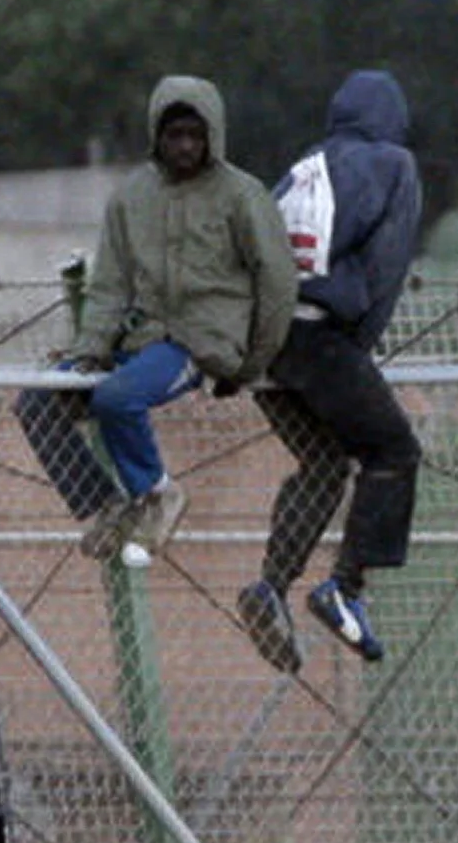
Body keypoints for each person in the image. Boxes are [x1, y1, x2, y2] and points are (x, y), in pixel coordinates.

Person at [16, 75, 297, 568]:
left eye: (195, 134)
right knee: (39, 401)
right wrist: (89, 351)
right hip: (139, 336)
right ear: (156, 136)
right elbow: (110, 285)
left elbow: (277, 282)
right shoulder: (131, 198)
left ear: (213, 135)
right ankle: (109, 506)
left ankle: (160, 492)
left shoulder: (242, 195)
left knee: (118, 398)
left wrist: (251, 362)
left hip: (200, 342)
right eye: (174, 135)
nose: (185, 145)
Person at [235, 69, 424, 673]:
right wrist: (359, 347)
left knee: (322, 462)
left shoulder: (301, 166)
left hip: (258, 340)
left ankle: (271, 585)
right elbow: (386, 265)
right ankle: (347, 586)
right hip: (318, 335)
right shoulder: (392, 164)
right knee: (393, 452)